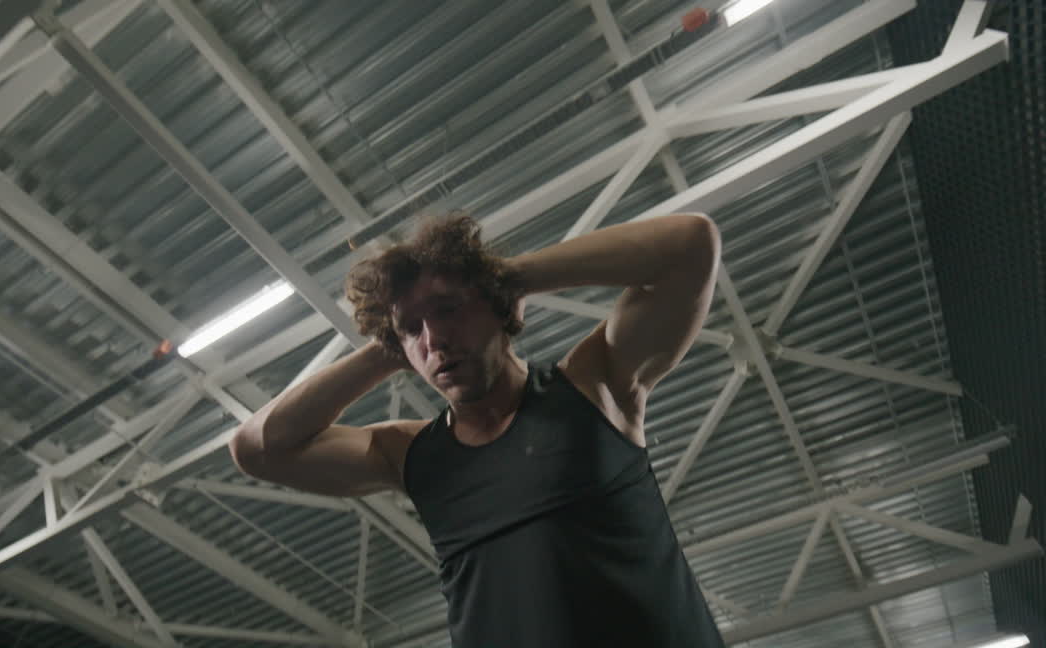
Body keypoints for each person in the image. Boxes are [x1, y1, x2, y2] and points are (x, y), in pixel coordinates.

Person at [229, 212, 725, 647]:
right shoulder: (410, 455)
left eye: (448, 309)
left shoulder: (595, 388)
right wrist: (391, 346)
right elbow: (257, 449)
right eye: (414, 328)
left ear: (501, 308)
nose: (435, 338)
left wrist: (508, 277)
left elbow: (691, 243)